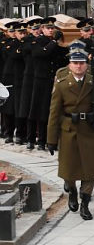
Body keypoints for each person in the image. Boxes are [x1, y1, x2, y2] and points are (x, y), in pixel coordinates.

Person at [47, 48, 94, 220]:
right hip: (69, 129)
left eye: (82, 63)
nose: (78, 66)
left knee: (89, 170)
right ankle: (72, 191)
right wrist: (51, 140)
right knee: (68, 170)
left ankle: (85, 203)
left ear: (86, 65)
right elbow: (54, 113)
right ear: (70, 65)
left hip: (89, 129)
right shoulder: (62, 84)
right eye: (75, 63)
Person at [29, 18, 65, 151]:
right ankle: (41, 140)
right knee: (42, 111)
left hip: (54, 80)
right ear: (42, 29)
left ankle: (53, 140)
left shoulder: (57, 43)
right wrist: (55, 41)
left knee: (54, 111)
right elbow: (43, 52)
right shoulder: (37, 41)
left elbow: (62, 58)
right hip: (42, 81)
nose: (50, 30)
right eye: (48, 28)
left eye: (52, 28)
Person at [19, 18, 42, 149]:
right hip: (29, 76)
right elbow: (28, 49)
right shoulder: (26, 41)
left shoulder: (42, 40)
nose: (36, 31)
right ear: (29, 30)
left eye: (38, 28)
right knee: (29, 108)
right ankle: (30, 138)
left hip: (40, 76)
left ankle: (40, 137)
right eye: (33, 29)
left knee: (39, 108)